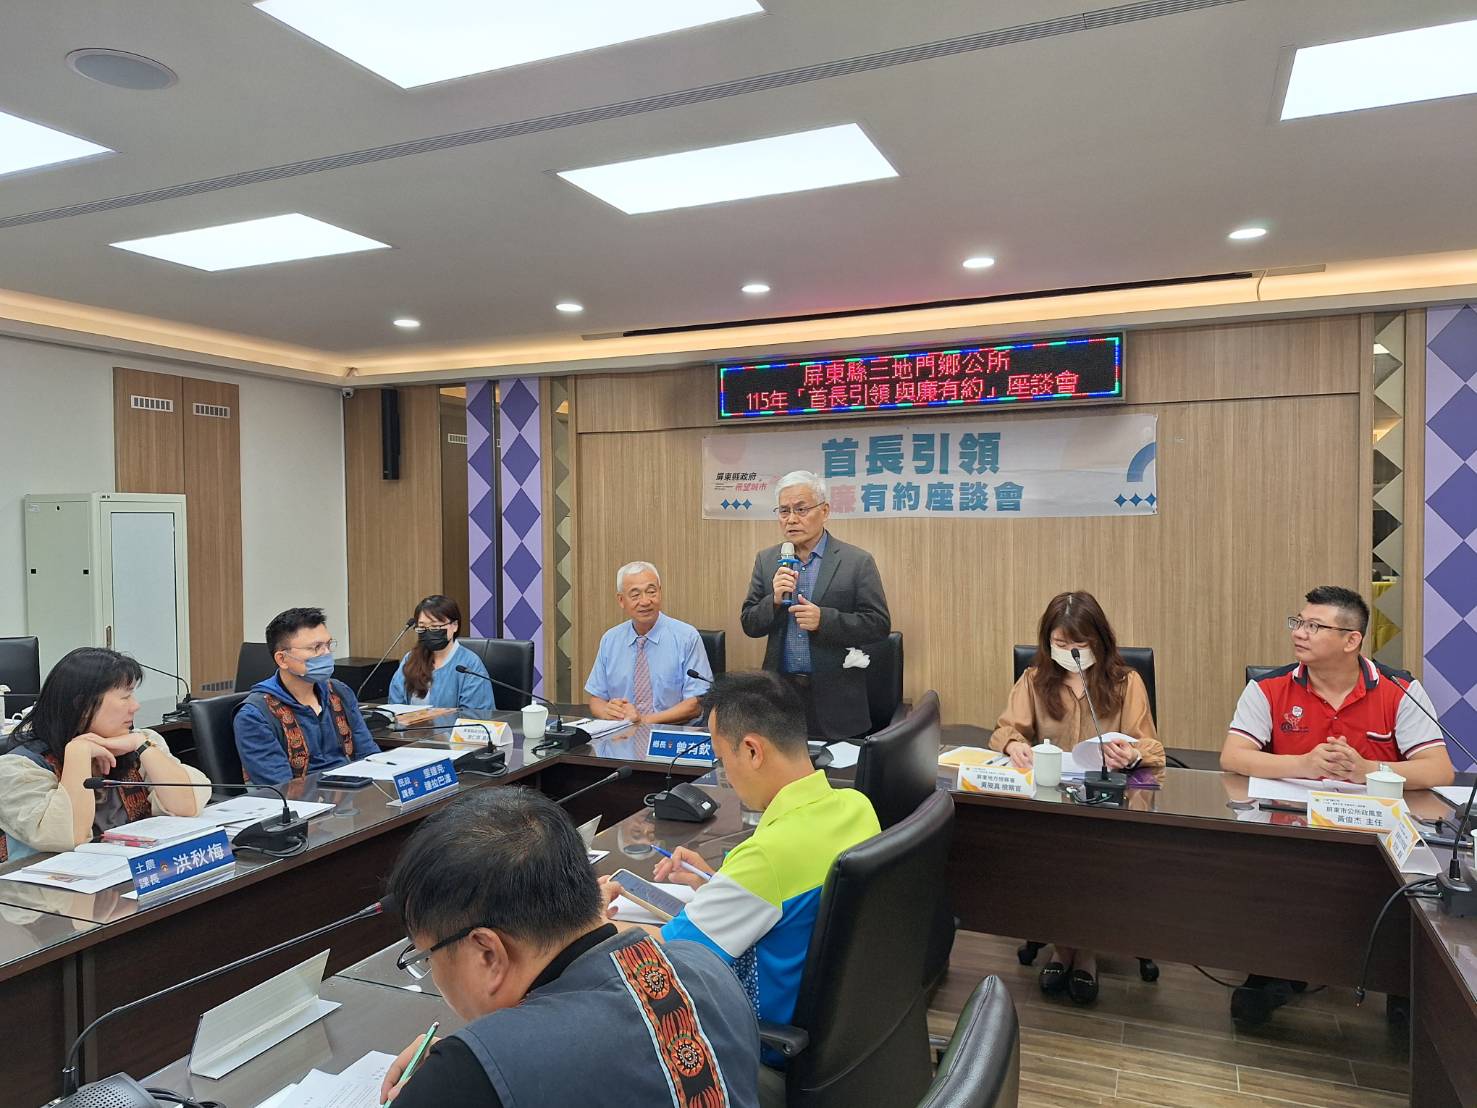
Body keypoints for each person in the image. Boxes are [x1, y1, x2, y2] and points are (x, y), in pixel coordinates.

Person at [376, 787, 760, 1108]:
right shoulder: (705, 967)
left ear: (487, 953)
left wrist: (456, 1074)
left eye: (427, 956)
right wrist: (475, 1059)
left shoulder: (465, 1079)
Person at [632, 672, 880, 1102]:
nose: (724, 775)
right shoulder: (857, 806)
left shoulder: (765, 859)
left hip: (766, 1057)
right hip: (849, 1047)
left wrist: (593, 919)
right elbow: (789, 900)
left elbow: (664, 956)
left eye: (721, 758)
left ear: (751, 750)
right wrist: (720, 884)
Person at [1220, 584, 1454, 1024]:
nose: (1299, 633)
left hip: (1379, 835)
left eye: (1314, 626)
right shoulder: (1268, 687)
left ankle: (1400, 982)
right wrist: (1304, 763)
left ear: (1352, 640)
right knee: (1266, 866)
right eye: (1298, 622)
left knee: (1410, 881)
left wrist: (1368, 770)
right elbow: (1233, 757)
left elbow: (1439, 769)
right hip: (1296, 829)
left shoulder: (1399, 689)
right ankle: (1273, 971)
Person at [989, 591, 1164, 1004]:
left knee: (1090, 853)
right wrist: (1013, 744)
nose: (1069, 652)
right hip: (1051, 798)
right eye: (1060, 643)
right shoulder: (1035, 679)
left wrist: (1131, 754)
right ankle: (1063, 947)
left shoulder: (1126, 682)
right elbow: (1005, 730)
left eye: (1079, 644)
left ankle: (1083, 952)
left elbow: (1152, 748)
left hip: (1109, 802)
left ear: (1098, 641)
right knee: (1049, 850)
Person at [0, 647, 209, 861]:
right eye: (125, 696)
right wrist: (78, 752)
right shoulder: (18, 768)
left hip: (126, 869)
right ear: (82, 706)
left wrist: (140, 744)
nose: (135, 706)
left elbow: (186, 807)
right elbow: (70, 836)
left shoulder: (139, 742)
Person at [739, 471, 890, 740]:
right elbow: (749, 623)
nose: (791, 519)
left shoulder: (856, 561)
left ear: (825, 511)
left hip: (837, 702)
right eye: (784, 511)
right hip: (780, 698)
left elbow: (878, 625)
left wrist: (824, 620)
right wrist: (774, 601)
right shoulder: (767, 560)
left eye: (801, 509)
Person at [234, 607, 379, 786]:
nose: (326, 653)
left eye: (328, 644)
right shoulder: (255, 715)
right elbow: (280, 787)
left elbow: (369, 756)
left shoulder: (339, 692)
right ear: (282, 659)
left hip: (354, 792)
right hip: (302, 799)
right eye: (316, 647)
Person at [587, 561, 712, 725]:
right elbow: (596, 699)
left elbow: (696, 703)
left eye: (651, 592)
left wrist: (643, 721)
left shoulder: (687, 637)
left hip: (672, 733)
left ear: (660, 592)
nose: (645, 601)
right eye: (635, 595)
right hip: (622, 733)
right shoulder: (610, 640)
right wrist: (608, 711)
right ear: (621, 600)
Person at [387, 596, 494, 715]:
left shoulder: (469, 664)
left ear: (454, 625)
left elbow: (476, 715)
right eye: (422, 627)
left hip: (452, 727)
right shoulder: (410, 658)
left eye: (435, 627)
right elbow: (395, 705)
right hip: (408, 727)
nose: (428, 632)